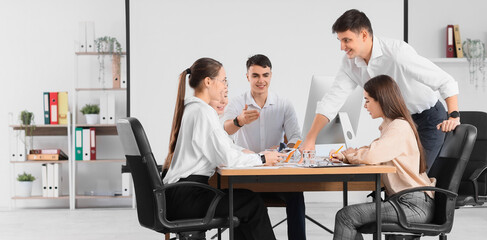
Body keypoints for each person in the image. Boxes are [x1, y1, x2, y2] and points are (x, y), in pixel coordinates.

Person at [301, 9, 461, 170]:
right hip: (396, 125)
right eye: (340, 40)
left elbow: (445, 81)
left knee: (416, 174)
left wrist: (453, 115)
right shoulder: (349, 64)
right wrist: (310, 138)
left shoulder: (397, 53)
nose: (342, 47)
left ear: (364, 35)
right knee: (389, 175)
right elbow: (332, 100)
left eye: (346, 40)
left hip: (427, 119)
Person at [162, 57, 286, 240]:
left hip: (178, 196)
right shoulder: (203, 112)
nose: (225, 86)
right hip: (187, 198)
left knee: (246, 201)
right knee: (252, 203)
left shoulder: (194, 109)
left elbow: (223, 146)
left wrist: (247, 154)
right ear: (208, 82)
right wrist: (261, 159)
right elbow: (226, 158)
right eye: (223, 80)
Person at [330, 75, 436, 240]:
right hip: (408, 201)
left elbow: (372, 154)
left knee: (346, 216)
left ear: (381, 100)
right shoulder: (393, 127)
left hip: (413, 205)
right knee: (351, 218)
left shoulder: (399, 127)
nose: (365, 106)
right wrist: (346, 156)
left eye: (367, 100)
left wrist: (349, 156)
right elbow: (374, 148)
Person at [223, 54, 307, 240]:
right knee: (239, 202)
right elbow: (224, 131)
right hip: (247, 174)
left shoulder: (284, 104)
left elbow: (295, 137)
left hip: (276, 172)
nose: (261, 80)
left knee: (296, 195)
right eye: (255, 76)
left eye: (265, 75)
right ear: (247, 77)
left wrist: (285, 150)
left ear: (271, 76)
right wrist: (239, 120)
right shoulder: (237, 103)